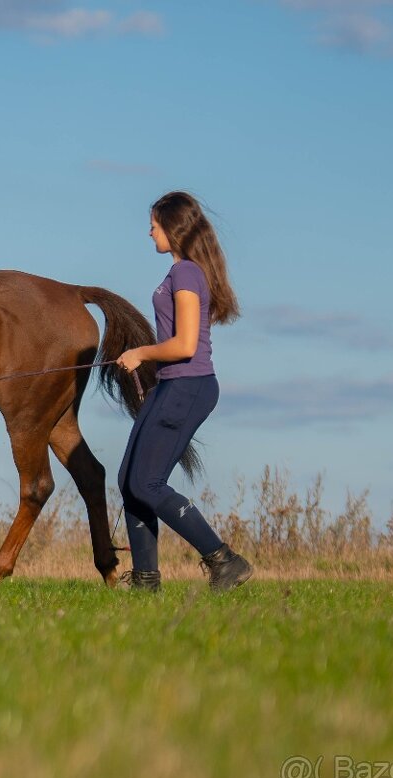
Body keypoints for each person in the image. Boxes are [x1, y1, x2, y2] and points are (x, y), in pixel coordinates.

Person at [114, 191, 253, 592]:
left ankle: (224, 560)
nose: (149, 231)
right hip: (173, 384)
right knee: (130, 480)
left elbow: (186, 344)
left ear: (171, 226)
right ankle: (145, 579)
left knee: (148, 483)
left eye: (154, 223)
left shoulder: (186, 273)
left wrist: (139, 353)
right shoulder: (182, 272)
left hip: (188, 385)